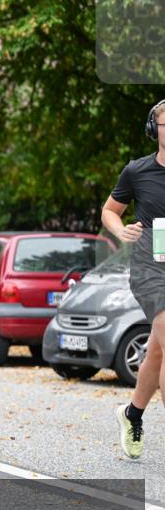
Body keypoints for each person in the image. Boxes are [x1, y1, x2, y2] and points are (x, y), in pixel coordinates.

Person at [102, 99, 165, 460]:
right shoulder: (137, 171)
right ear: (154, 130)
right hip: (151, 269)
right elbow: (110, 211)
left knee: (157, 350)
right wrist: (120, 230)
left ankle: (132, 414)